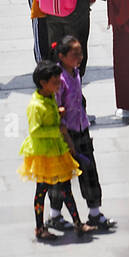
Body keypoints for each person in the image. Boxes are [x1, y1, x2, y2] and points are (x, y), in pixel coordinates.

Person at [46, 36, 116, 231]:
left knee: (89, 172)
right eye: (74, 54)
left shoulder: (75, 72)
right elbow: (55, 107)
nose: (79, 57)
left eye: (81, 53)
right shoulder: (58, 78)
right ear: (61, 56)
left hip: (82, 129)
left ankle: (95, 213)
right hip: (64, 134)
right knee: (61, 176)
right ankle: (55, 215)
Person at [19, 58, 91, 241]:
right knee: (42, 192)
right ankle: (39, 228)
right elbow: (35, 131)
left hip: (56, 151)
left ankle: (77, 223)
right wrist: (57, 128)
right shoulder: (35, 105)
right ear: (43, 83)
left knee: (65, 188)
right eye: (55, 82)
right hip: (44, 155)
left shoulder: (49, 96)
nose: (59, 85)